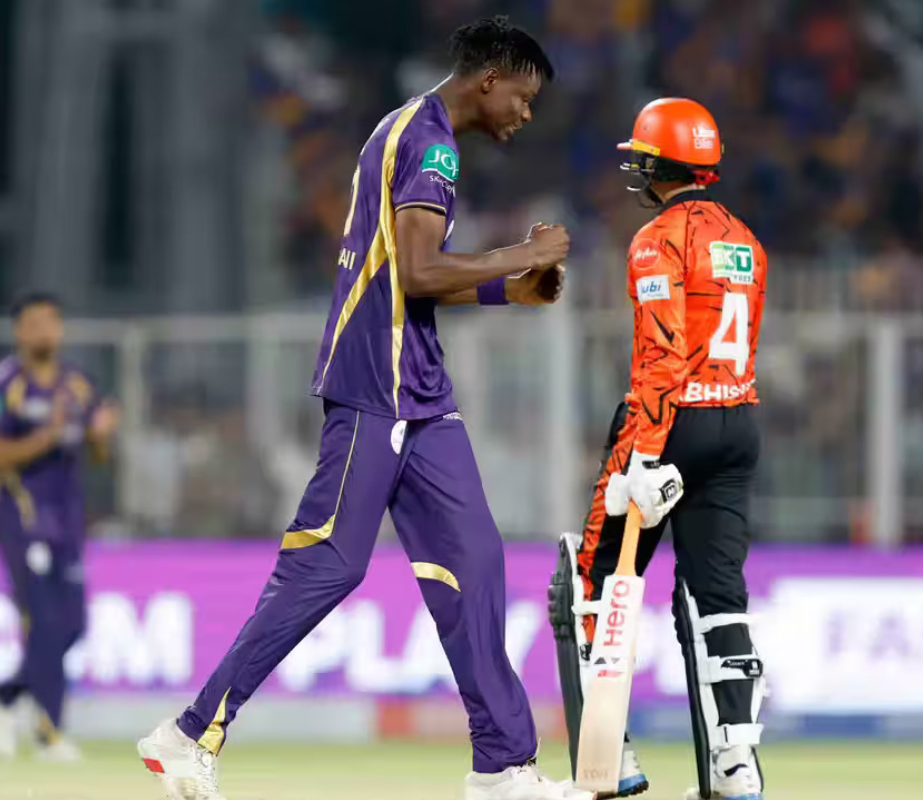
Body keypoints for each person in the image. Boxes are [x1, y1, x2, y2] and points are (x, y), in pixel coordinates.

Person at [137, 16, 590, 800]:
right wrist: (524, 254)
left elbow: (408, 276)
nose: (526, 113)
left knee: (475, 564)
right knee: (327, 566)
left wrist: (509, 290)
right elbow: (415, 273)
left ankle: (502, 768)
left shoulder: (412, 131)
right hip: (374, 385)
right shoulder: (431, 142)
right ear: (490, 79)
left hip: (420, 390)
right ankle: (189, 732)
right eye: (524, 96)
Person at [550, 99, 768, 800]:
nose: (635, 170)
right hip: (737, 422)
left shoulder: (656, 240)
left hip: (671, 424)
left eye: (641, 159)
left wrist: (643, 455)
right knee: (718, 596)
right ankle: (736, 764)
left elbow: (662, 355)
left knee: (590, 580)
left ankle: (610, 757)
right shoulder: (747, 241)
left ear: (658, 165)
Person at [0, 292, 119, 762]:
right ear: (19, 331)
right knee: (44, 622)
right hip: (22, 518)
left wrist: (101, 436)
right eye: (35, 323)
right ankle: (49, 734)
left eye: (52, 322)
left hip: (68, 520)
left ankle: (0, 697)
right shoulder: (1, 385)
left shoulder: (79, 384)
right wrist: (46, 436)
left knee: (74, 625)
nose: (45, 331)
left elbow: (98, 453)